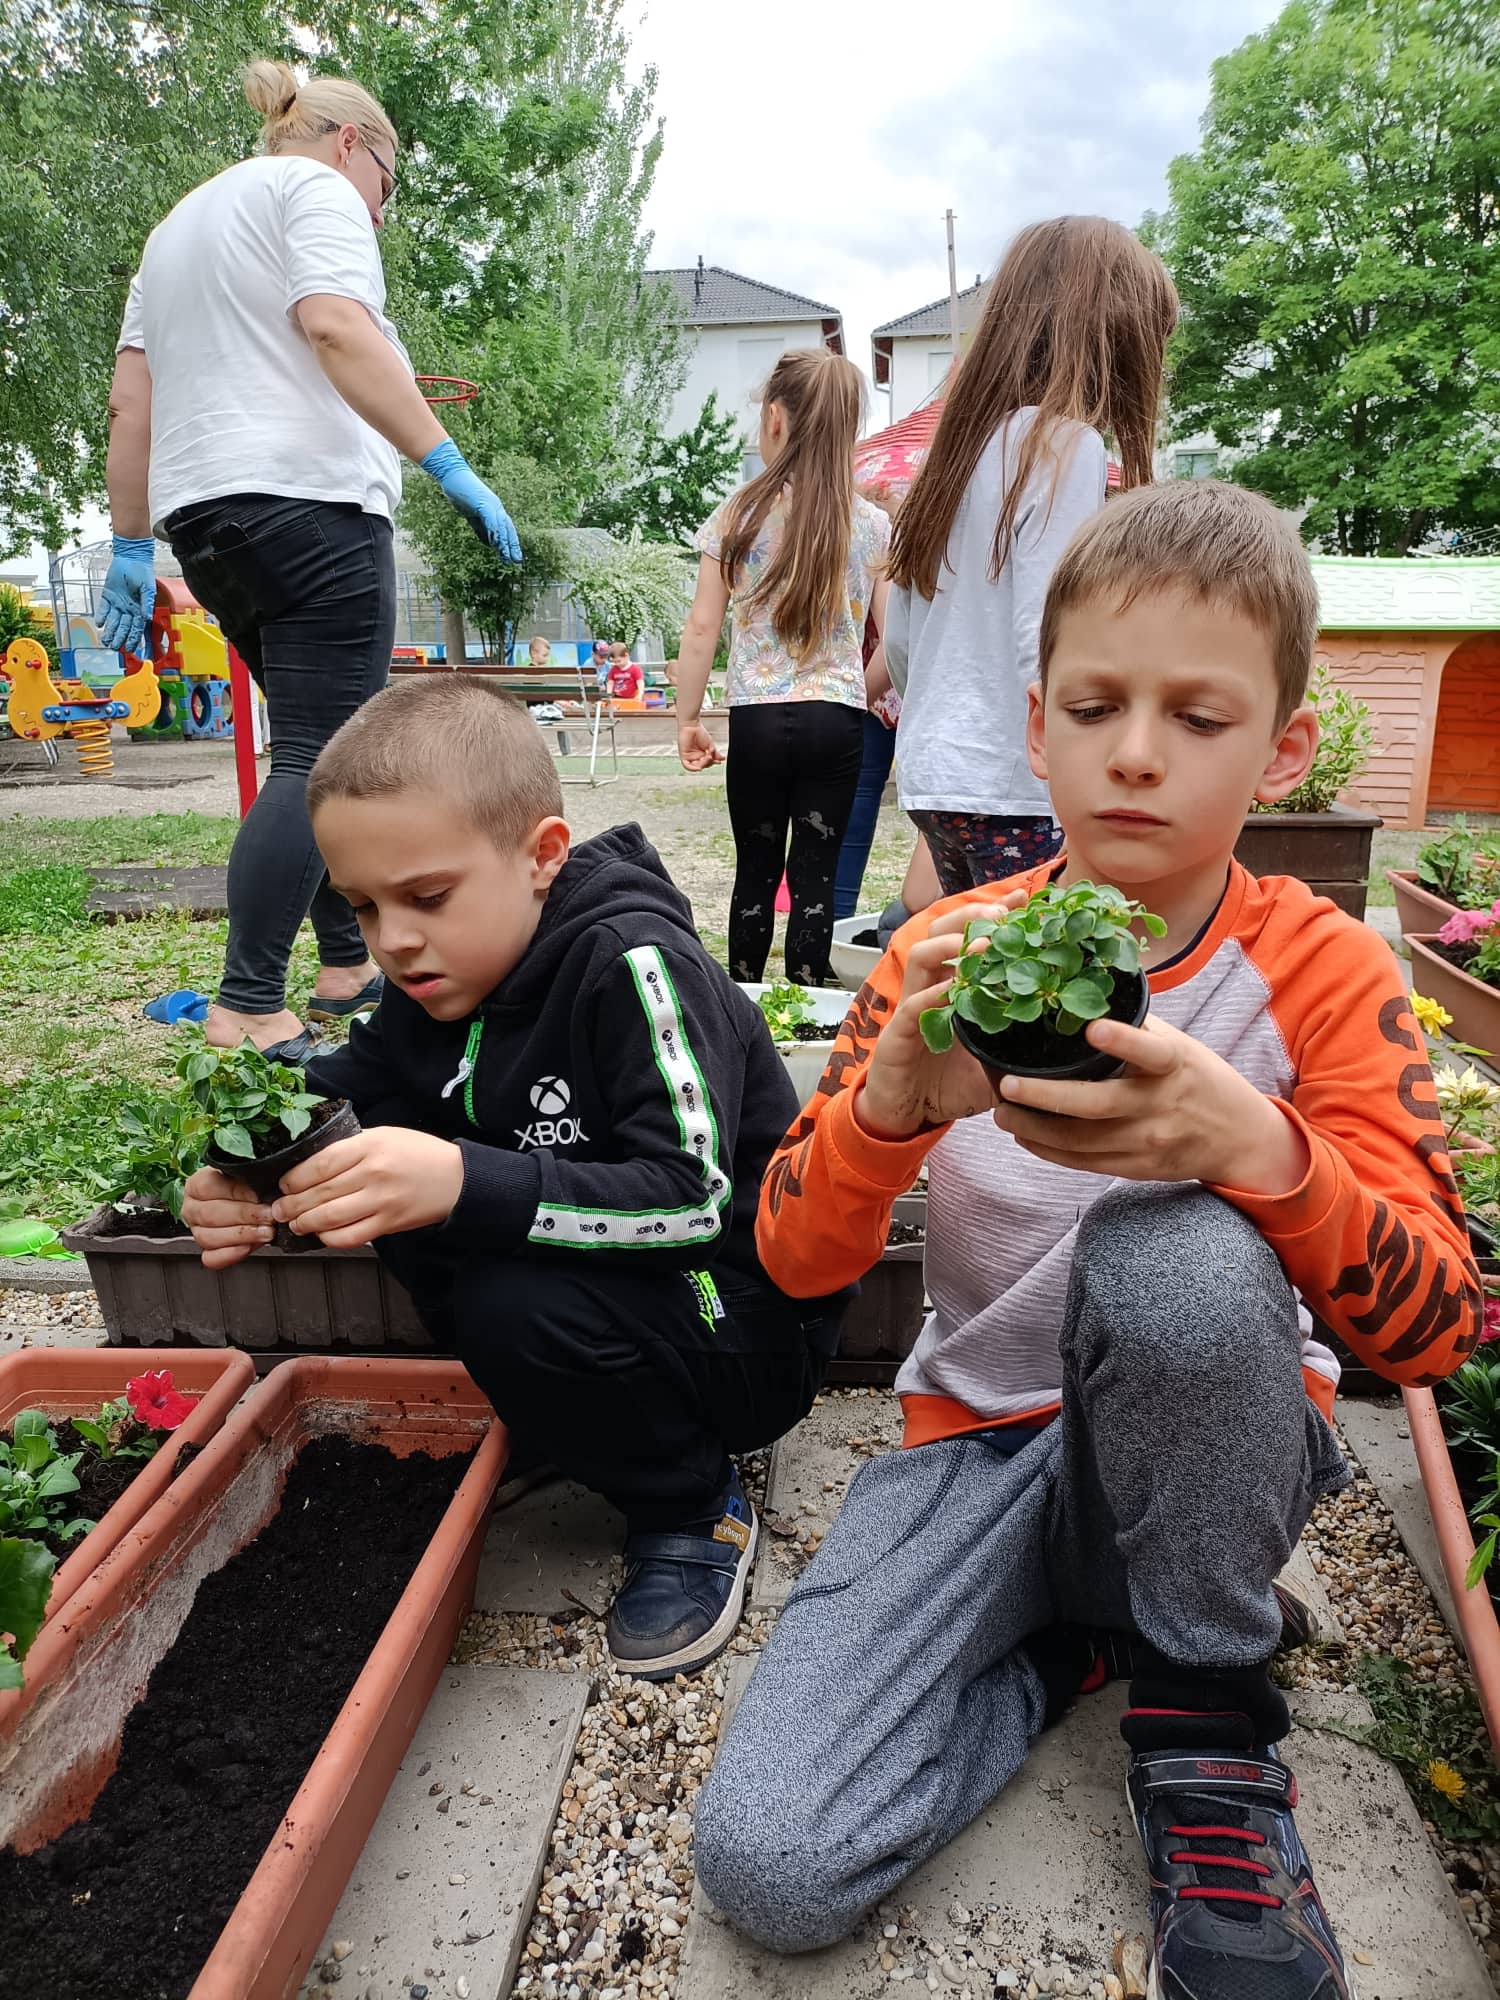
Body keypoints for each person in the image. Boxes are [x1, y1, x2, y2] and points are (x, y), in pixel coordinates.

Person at [693, 481, 1484, 1998]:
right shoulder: (944, 953)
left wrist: (1260, 1152)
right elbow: (790, 1268)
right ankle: (1083, 1648)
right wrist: (889, 1113)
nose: (1135, 752)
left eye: (1199, 716)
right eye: (1095, 706)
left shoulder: (1322, 968)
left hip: (1207, 1458)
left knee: (1173, 1251)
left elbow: (1436, 1327)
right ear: (1036, 729)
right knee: (771, 1861)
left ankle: (1208, 1722)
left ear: (1284, 748)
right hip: (978, 1445)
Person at [178, 676, 849, 1680]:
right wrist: (236, 1169)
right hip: (615, 1290)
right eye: (362, 907)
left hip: (741, 1318)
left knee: (500, 1276)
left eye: (426, 897)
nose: (392, 939)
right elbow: (332, 1096)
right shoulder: (431, 983)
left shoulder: (633, 965)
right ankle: (569, 1416)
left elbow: (694, 1201)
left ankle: (690, 1500)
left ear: (542, 855)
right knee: (387, 1168)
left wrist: (462, 1180)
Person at [101, 59, 521, 1064]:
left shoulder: (174, 234)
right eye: (387, 185)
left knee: (323, 753)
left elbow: (129, 404)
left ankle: (343, 964)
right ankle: (249, 1003)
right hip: (310, 508)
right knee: (318, 757)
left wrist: (129, 540)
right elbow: (334, 324)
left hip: (209, 523)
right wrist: (446, 461)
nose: (379, 210)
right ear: (350, 144)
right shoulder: (316, 192)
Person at [886, 215, 1178, 896]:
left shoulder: (956, 451)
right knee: (1044, 955)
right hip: (1017, 782)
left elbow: (901, 635)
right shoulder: (1064, 445)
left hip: (935, 770)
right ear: (1114, 338)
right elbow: (1047, 635)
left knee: (979, 949)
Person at [674, 348, 891, 986]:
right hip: (836, 720)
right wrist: (854, 691)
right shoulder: (870, 524)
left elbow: (701, 628)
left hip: (758, 720)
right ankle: (809, 1005)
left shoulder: (737, 514)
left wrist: (688, 718)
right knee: (816, 876)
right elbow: (896, 640)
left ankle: (745, 999)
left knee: (756, 870)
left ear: (774, 417)